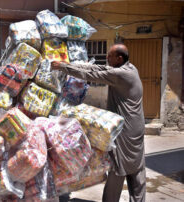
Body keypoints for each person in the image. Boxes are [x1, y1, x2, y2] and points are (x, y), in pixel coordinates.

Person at [52, 43, 146, 202]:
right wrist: (72, 65)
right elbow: (99, 69)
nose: (107, 58)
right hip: (136, 126)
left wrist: (63, 67)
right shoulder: (131, 69)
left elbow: (93, 74)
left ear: (119, 58)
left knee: (118, 166)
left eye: (110, 56)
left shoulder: (121, 75)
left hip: (125, 130)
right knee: (137, 168)